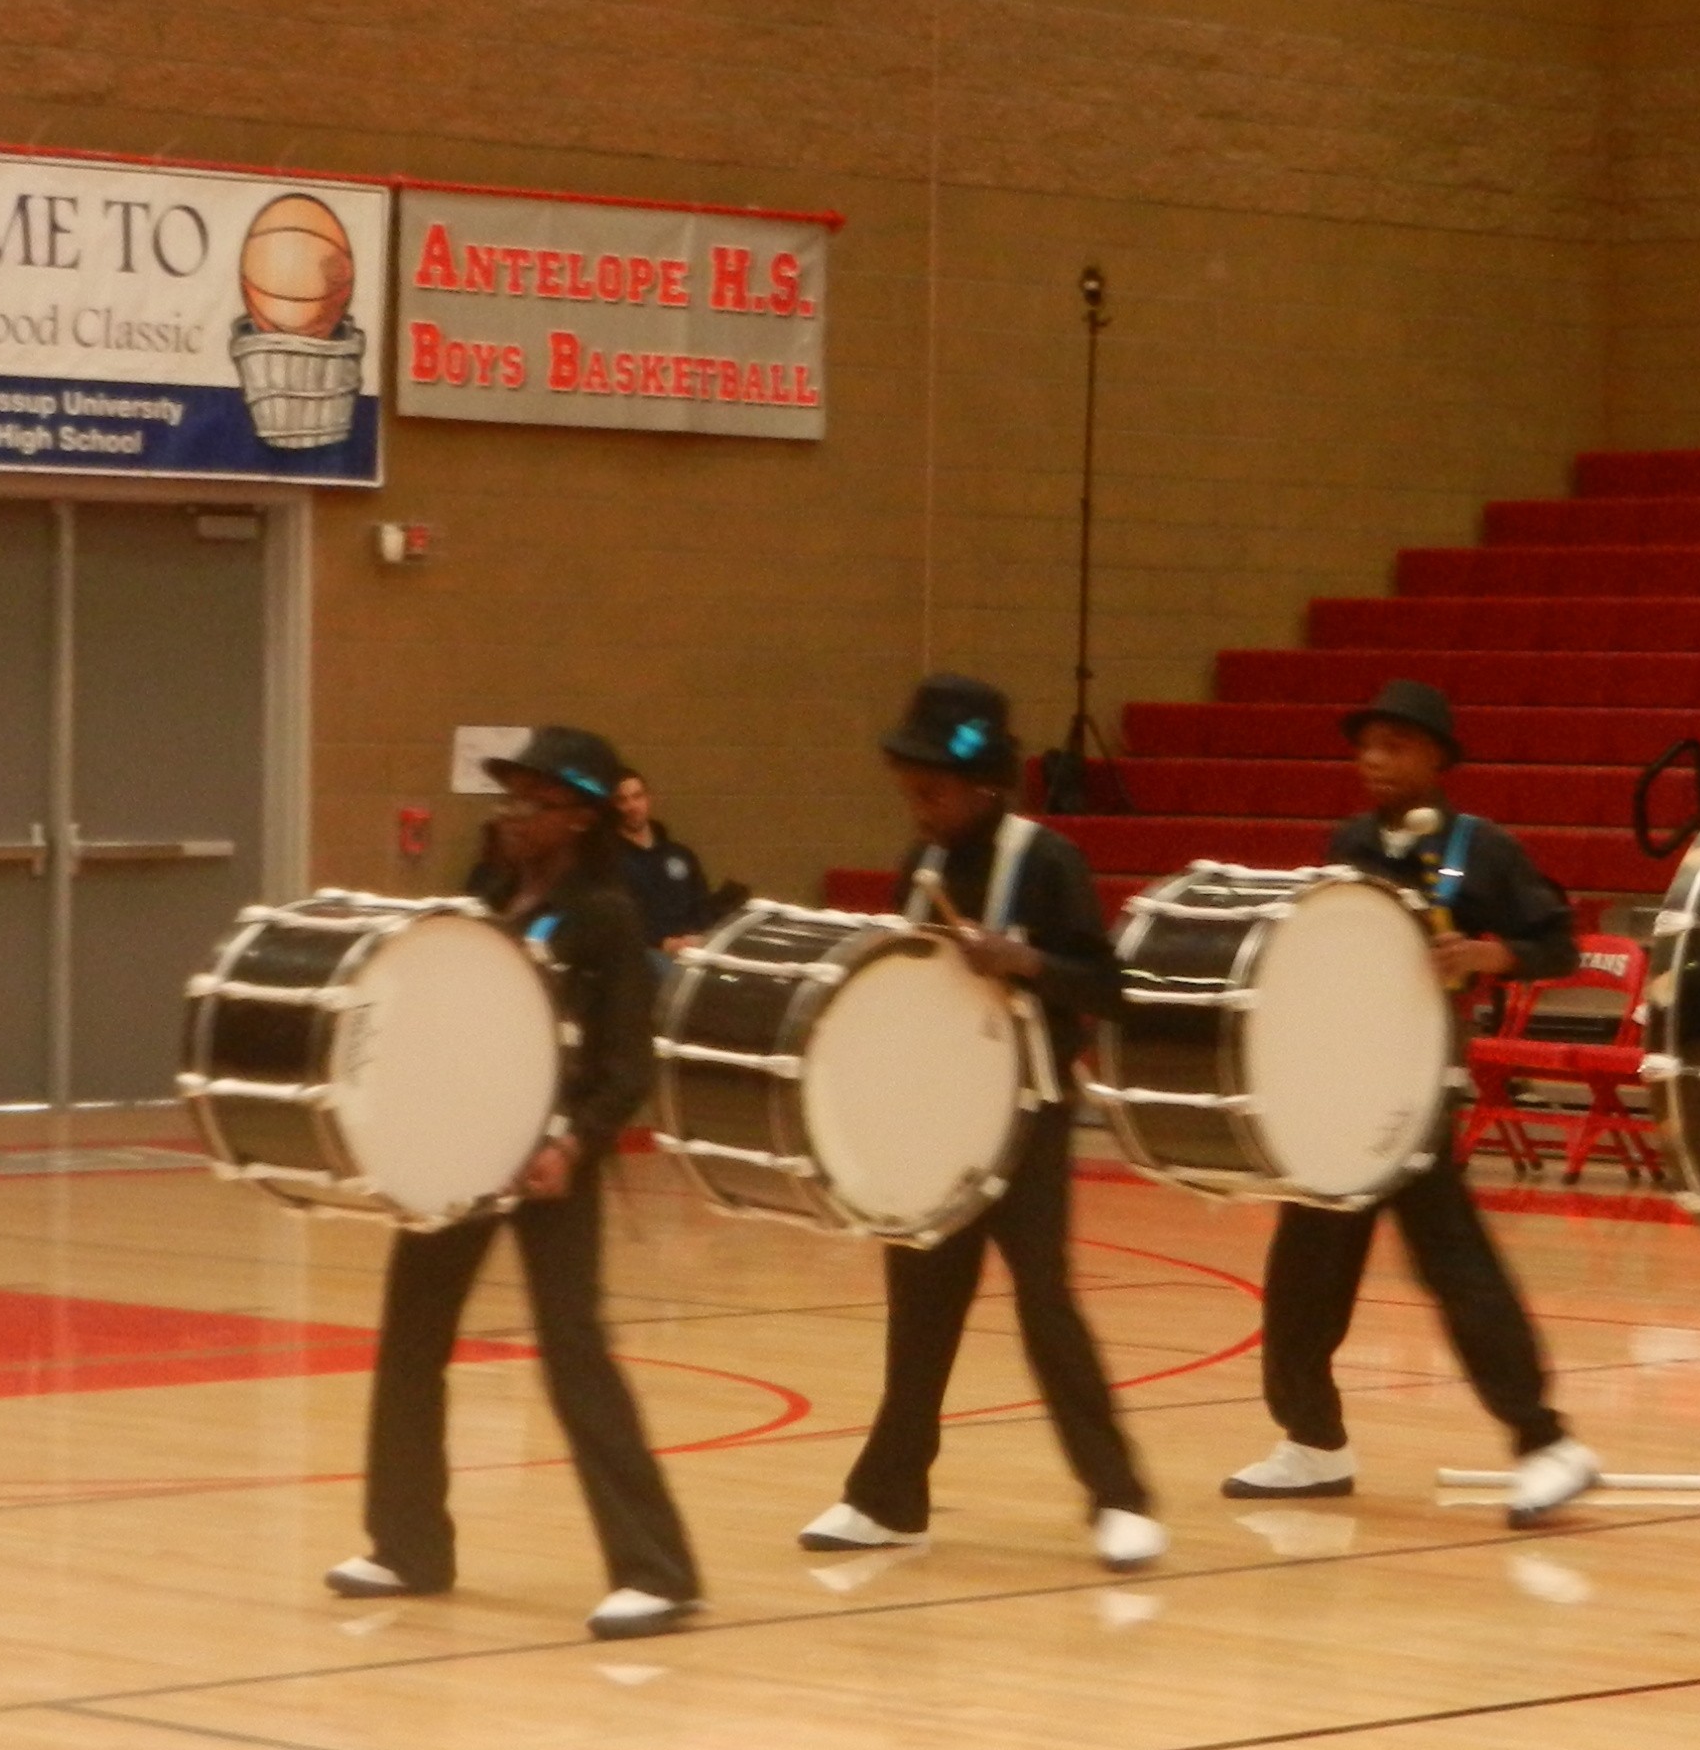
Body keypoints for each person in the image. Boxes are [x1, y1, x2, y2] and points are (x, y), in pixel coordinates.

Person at [324, 727, 705, 1639]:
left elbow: (624, 1061)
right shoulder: (488, 894)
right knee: (412, 1334)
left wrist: (573, 1144)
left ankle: (657, 1570)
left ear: (576, 817)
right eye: (505, 802)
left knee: (572, 1348)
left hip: (549, 1161)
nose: (508, 819)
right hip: (465, 1147)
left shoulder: (605, 916)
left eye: (528, 805)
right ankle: (408, 1544)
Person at [800, 675, 1166, 1570]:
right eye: (909, 793)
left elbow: (1110, 990)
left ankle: (1119, 1497)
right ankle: (890, 1498)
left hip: (1028, 1120)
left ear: (986, 785)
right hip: (938, 1119)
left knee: (1045, 1304)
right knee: (919, 1312)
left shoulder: (1046, 862)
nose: (919, 809)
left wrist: (1025, 959)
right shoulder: (920, 868)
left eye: (933, 793)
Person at [1215, 680, 1602, 1525]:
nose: (1374, 761)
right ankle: (1312, 1441)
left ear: (1436, 758)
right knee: (1303, 1274)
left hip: (1418, 1091)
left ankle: (1547, 1443)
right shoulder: (1348, 843)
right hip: (1342, 1089)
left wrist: (1485, 955)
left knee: (1455, 1267)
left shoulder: (1483, 849)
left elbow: (1558, 944)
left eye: (1393, 746)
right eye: (1366, 746)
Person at [612, 770, 713, 951]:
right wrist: (661, 942)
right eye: (622, 800)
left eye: (637, 797)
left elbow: (701, 903)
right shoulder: (609, 861)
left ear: (648, 799)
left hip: (694, 949)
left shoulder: (680, 855)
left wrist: (698, 936)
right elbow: (618, 920)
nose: (632, 806)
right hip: (646, 953)